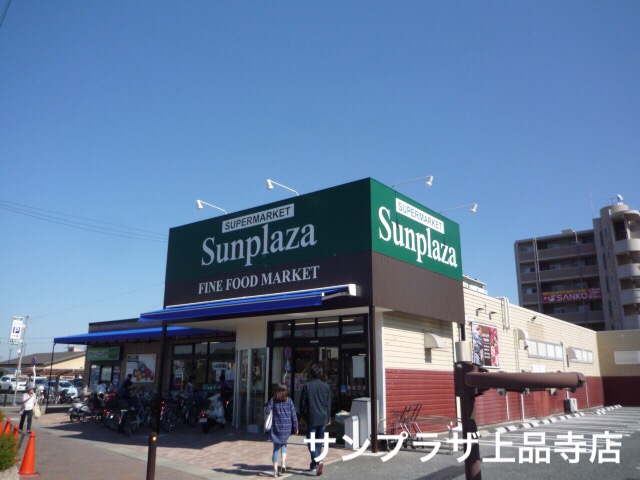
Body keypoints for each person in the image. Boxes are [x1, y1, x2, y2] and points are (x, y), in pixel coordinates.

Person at [299, 364, 331, 476]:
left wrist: (302, 415)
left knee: (310, 441)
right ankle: (314, 464)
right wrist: (328, 417)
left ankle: (317, 461)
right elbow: (328, 403)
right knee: (318, 442)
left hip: (311, 418)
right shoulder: (326, 386)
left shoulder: (307, 386)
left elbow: (302, 404)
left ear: (311, 374)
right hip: (323, 418)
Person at [265, 383, 298, 478]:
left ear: (276, 390)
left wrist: (270, 404)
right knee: (284, 445)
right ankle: (283, 464)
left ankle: (275, 471)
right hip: (286, 428)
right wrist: (296, 427)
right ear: (284, 390)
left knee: (275, 449)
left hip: (276, 428)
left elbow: (267, 411)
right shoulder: (289, 401)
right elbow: (293, 415)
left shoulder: (273, 400)